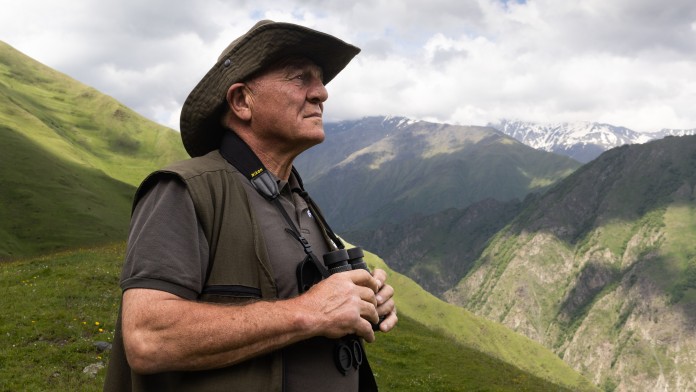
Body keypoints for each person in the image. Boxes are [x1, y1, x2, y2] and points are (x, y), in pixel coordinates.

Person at [104, 20, 397, 392]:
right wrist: (309, 311)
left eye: (320, 80)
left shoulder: (296, 197)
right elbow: (148, 338)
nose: (321, 92)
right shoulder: (185, 190)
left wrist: (362, 299)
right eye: (299, 78)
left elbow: (320, 306)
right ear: (242, 101)